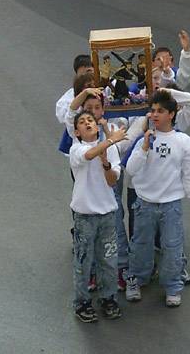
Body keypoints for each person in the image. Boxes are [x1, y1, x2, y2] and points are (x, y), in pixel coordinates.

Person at [125, 90, 190, 308]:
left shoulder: (185, 142)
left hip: (171, 205)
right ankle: (137, 279)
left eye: (160, 111)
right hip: (144, 203)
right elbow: (130, 169)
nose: (155, 115)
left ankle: (172, 286)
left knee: (172, 245)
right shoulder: (144, 140)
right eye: (152, 111)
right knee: (141, 243)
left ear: (171, 114)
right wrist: (143, 148)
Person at [70, 110, 126, 322]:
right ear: (77, 131)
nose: (87, 123)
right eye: (83, 122)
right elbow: (88, 155)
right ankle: (82, 303)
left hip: (107, 215)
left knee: (108, 260)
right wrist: (111, 139)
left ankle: (108, 298)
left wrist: (106, 163)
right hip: (85, 216)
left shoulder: (109, 150)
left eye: (90, 120)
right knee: (83, 261)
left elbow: (112, 180)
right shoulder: (77, 149)